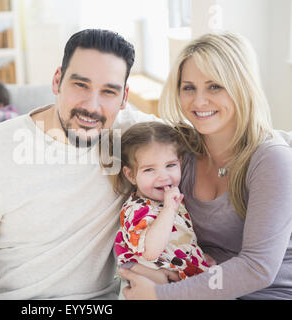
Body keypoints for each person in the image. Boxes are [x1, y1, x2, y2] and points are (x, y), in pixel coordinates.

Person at [0, 29, 159, 299]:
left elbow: (200, 142)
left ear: (124, 98)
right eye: (80, 85)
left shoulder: (132, 138)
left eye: (109, 91)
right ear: (57, 81)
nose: (92, 106)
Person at [119, 32, 292, 300]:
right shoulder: (178, 151)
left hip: (266, 293)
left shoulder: (270, 159)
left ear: (241, 86)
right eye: (189, 87)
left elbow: (258, 268)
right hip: (198, 286)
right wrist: (148, 273)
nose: (199, 102)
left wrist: (162, 294)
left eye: (215, 86)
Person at [113, 122, 215, 288]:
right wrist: (168, 209)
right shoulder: (137, 210)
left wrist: (199, 258)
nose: (163, 176)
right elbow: (151, 251)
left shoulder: (172, 199)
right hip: (155, 288)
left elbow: (178, 240)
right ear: (131, 175)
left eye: (170, 165)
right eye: (149, 170)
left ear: (180, 163)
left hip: (186, 283)